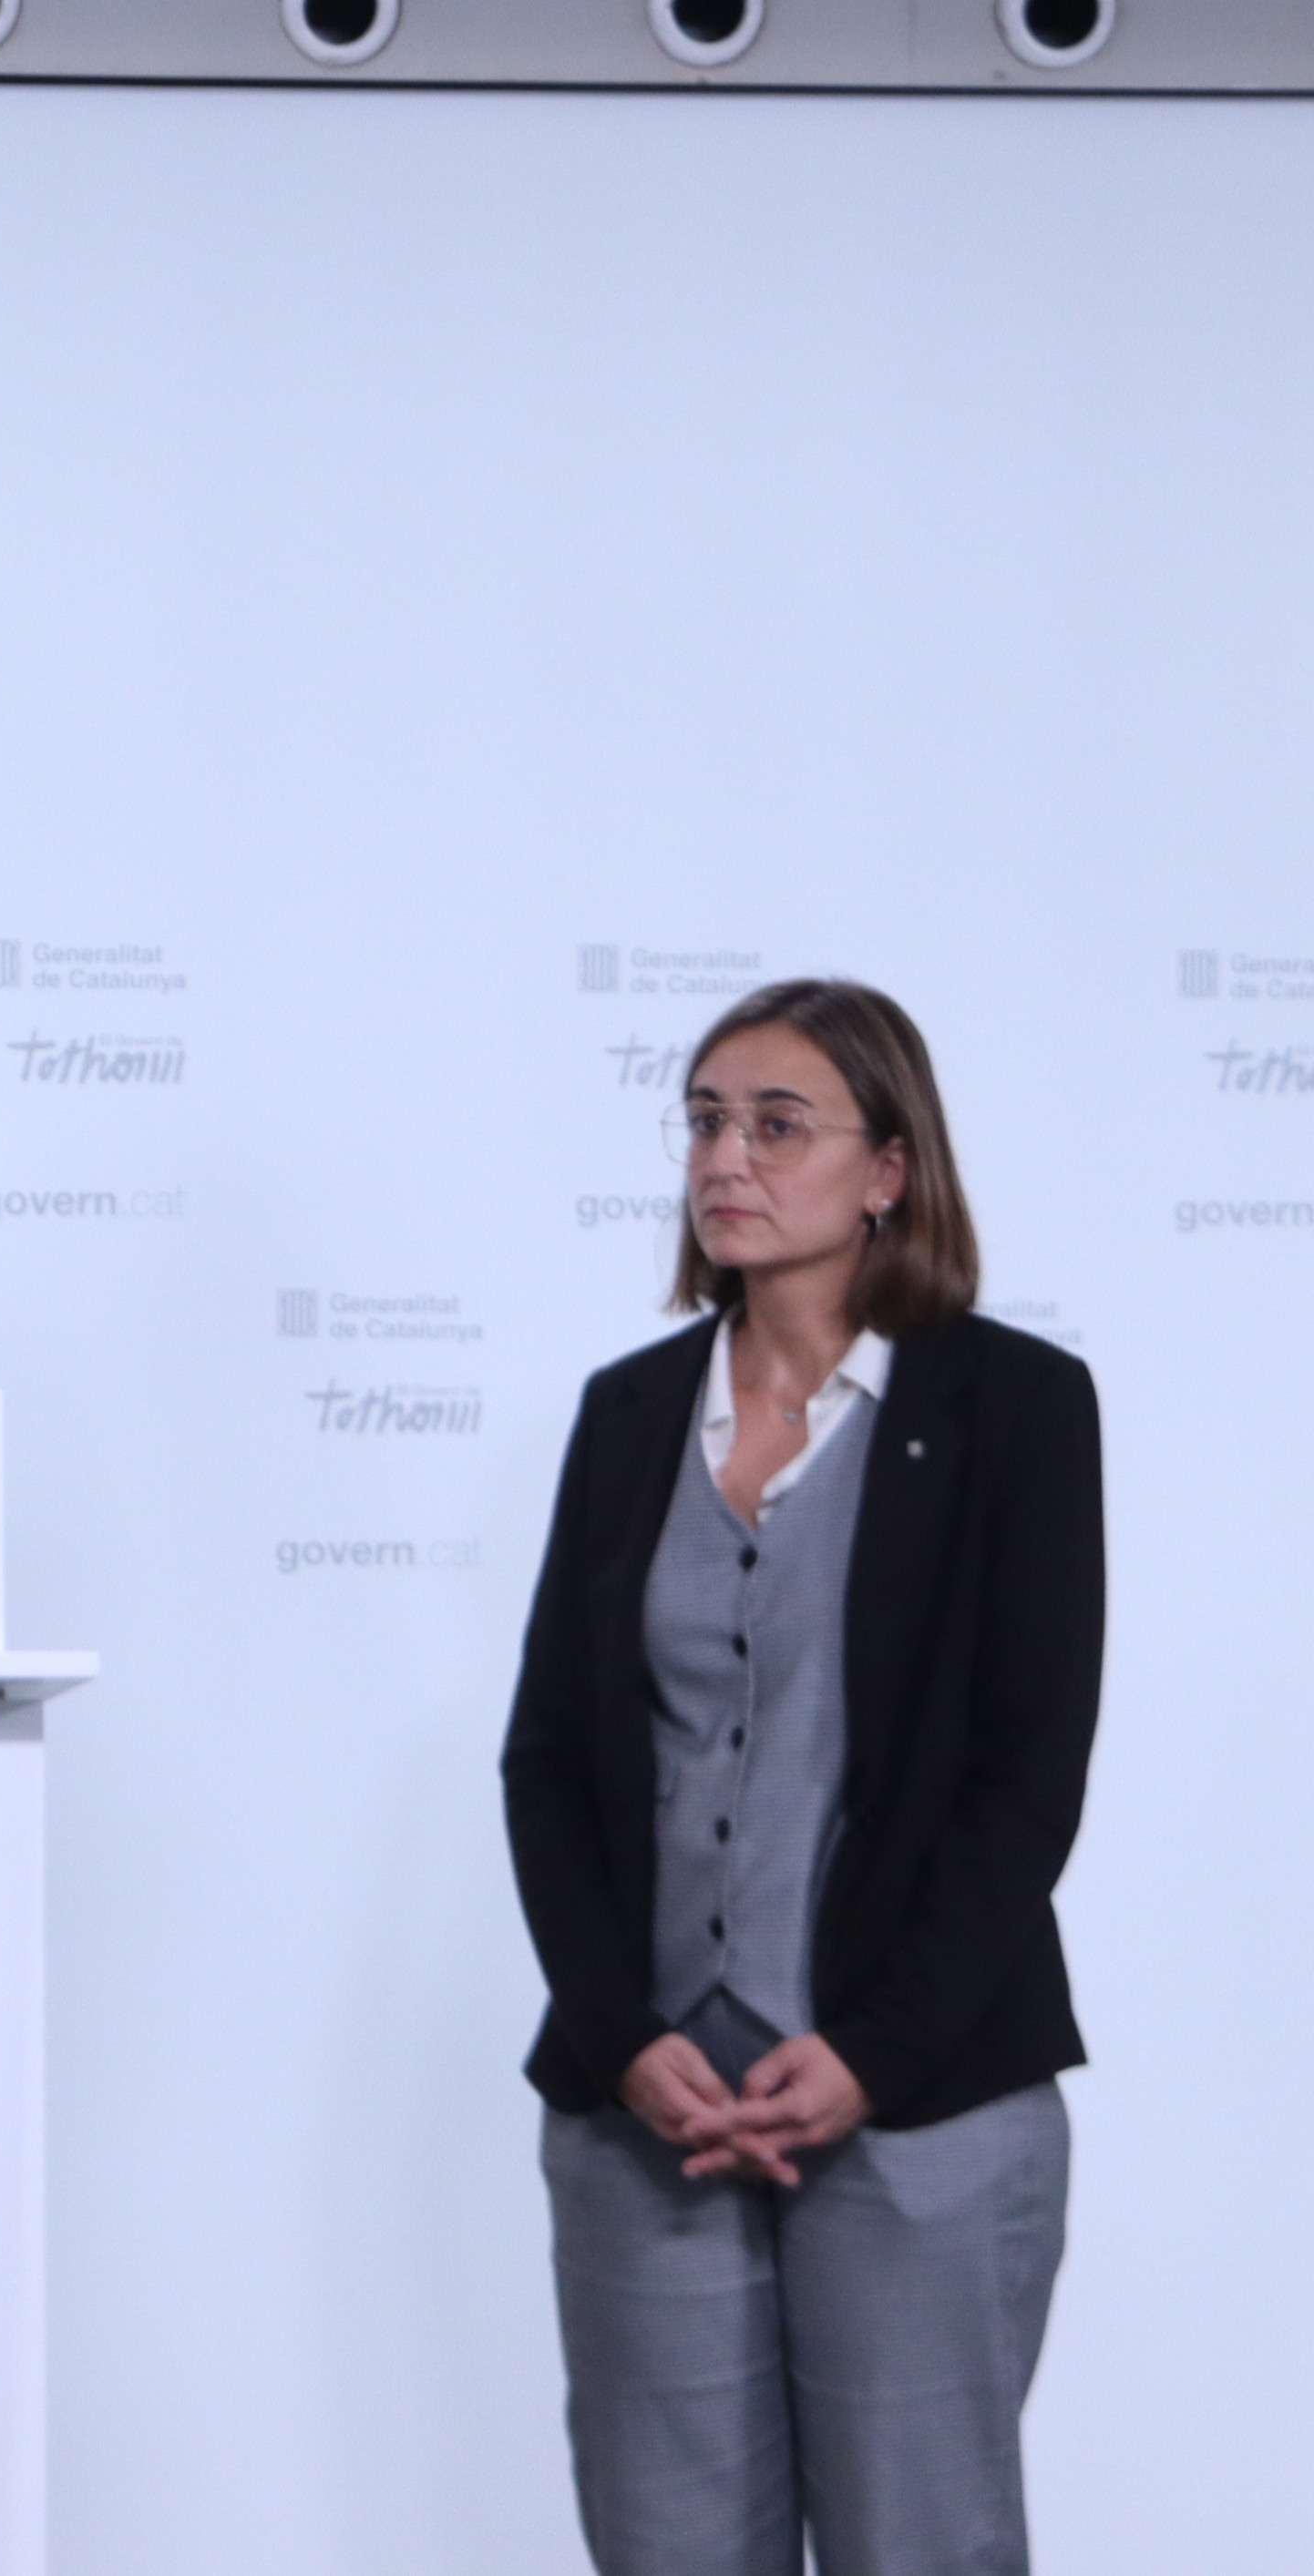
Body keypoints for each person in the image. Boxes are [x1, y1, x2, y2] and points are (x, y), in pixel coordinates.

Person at [499, 981, 1104, 2576]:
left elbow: (1021, 1780)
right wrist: (622, 2036)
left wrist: (869, 2051)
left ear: (888, 1167)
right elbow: (551, 1761)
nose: (725, 1156)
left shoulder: (1014, 1409)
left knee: (922, 2545)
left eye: (775, 1122)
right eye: (703, 1118)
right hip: (653, 2117)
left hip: (920, 2109)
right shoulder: (627, 1415)